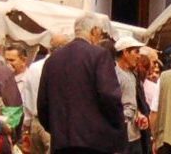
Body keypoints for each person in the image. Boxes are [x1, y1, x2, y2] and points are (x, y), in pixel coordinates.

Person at [38, 15, 125, 154]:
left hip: (62, 141)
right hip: (94, 142)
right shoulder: (99, 55)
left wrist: (56, 128)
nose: (100, 38)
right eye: (101, 34)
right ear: (94, 31)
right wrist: (117, 128)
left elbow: (43, 103)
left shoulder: (53, 59)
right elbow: (109, 96)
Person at [22, 33, 68, 154]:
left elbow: (27, 97)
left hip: (35, 123)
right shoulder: (65, 68)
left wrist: (26, 125)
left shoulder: (34, 67)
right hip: (54, 124)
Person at [115, 37, 151, 154]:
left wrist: (139, 115)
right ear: (125, 52)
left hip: (135, 136)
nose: (138, 56)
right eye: (136, 51)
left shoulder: (133, 75)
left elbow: (132, 101)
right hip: (121, 138)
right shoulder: (113, 74)